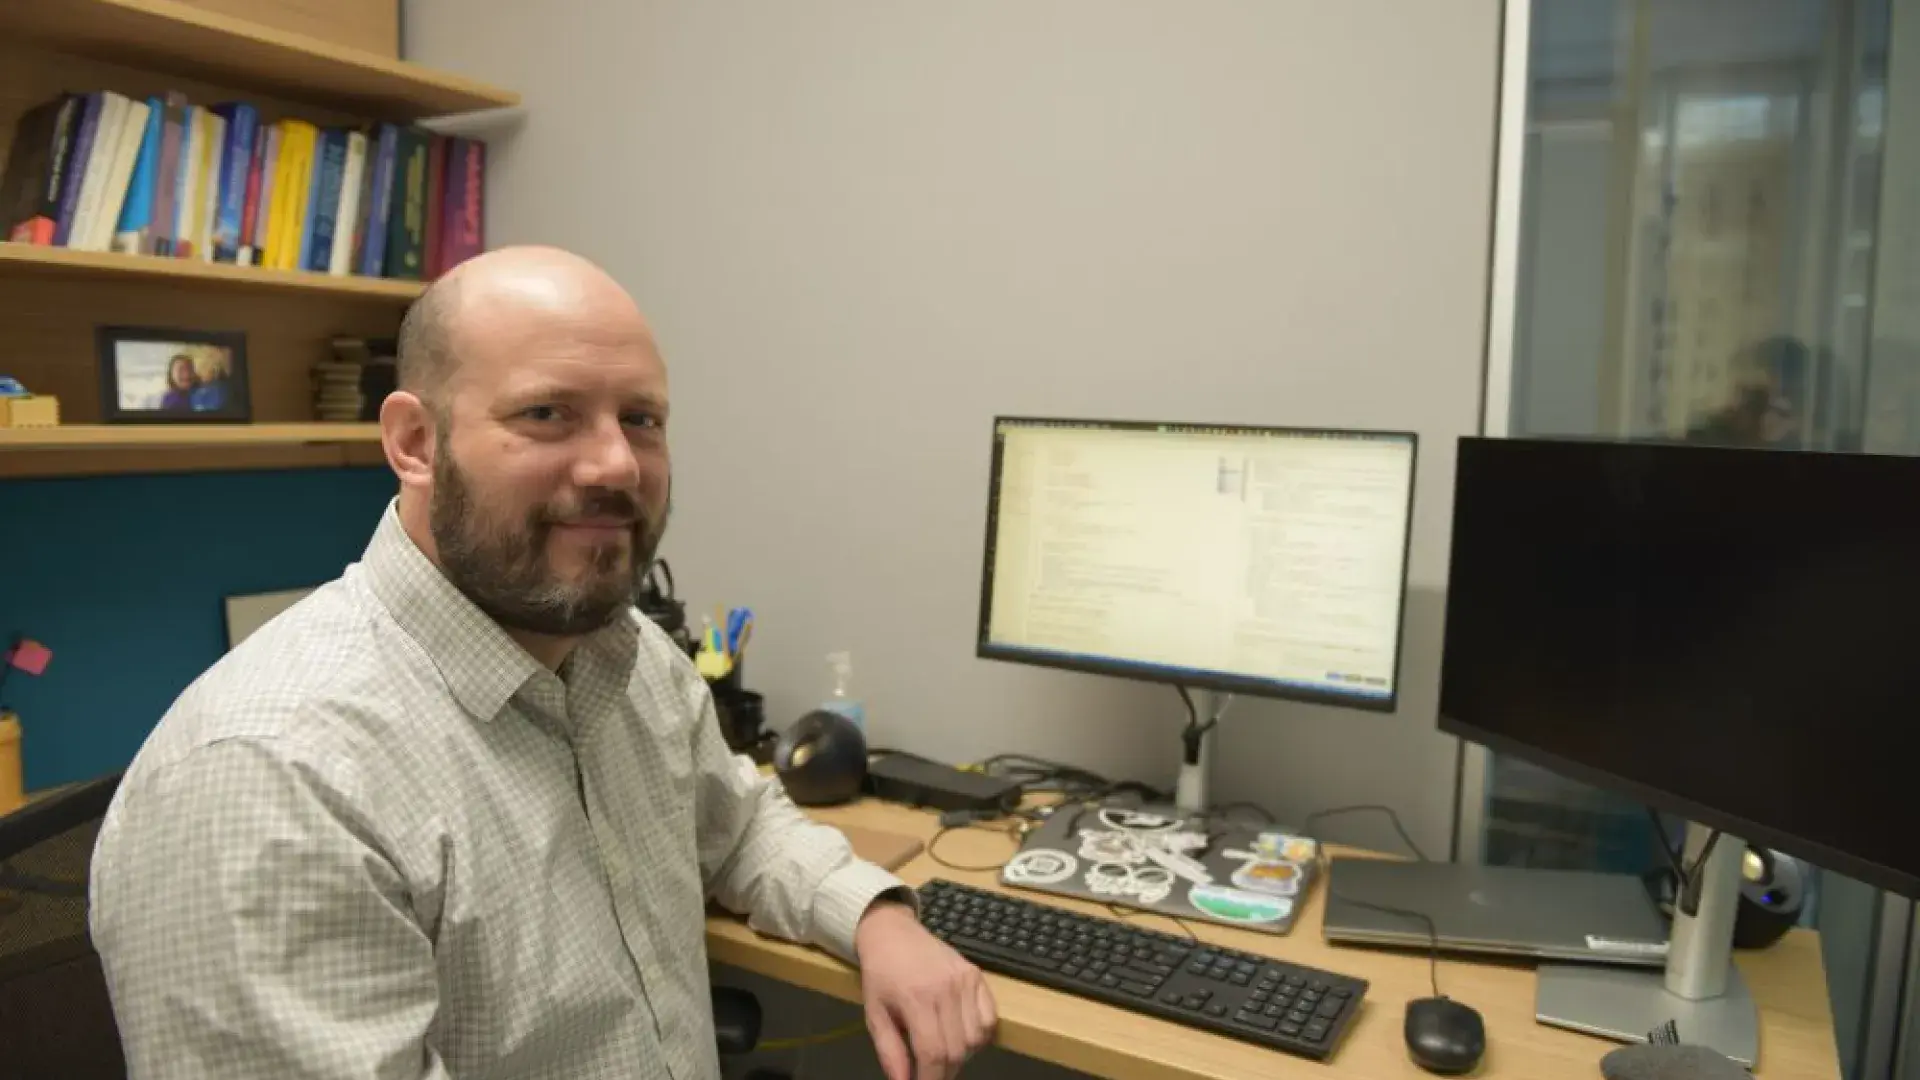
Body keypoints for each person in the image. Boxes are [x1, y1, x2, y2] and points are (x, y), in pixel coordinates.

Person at [88, 245, 996, 1080]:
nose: (614, 465)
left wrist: (878, 920)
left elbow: (740, 825)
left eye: (640, 419)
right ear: (414, 442)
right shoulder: (275, 779)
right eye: (547, 413)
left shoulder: (625, 658)